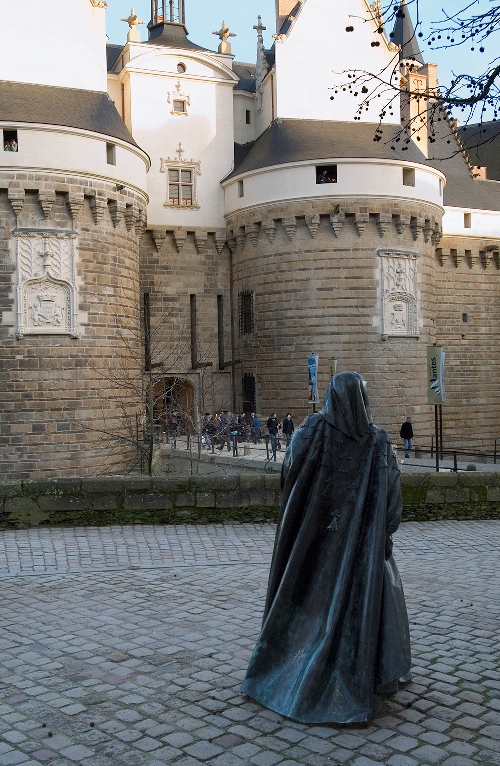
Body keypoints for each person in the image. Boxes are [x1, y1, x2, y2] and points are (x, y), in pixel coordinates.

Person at [241, 372, 411, 725]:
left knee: (306, 598)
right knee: (368, 603)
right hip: (361, 546)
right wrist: (384, 535)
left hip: (313, 541)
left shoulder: (311, 432)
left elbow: (289, 475)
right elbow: (392, 500)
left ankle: (290, 666)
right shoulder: (377, 441)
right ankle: (370, 672)